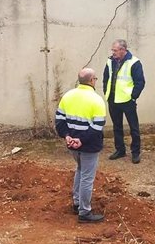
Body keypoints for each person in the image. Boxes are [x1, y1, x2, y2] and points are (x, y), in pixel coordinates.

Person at [55, 67, 107, 223]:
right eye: (95, 79)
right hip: (88, 146)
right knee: (87, 177)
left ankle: (77, 203)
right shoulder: (97, 100)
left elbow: (59, 120)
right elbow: (97, 127)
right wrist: (82, 140)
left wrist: (67, 136)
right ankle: (84, 212)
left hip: (72, 144)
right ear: (91, 81)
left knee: (80, 169)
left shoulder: (67, 96)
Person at [102, 39, 145, 164]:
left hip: (127, 100)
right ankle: (120, 150)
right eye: (113, 50)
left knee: (134, 127)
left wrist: (133, 96)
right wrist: (106, 92)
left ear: (123, 50)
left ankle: (135, 152)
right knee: (117, 126)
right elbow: (106, 78)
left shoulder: (134, 62)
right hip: (113, 98)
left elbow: (140, 82)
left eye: (115, 50)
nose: (113, 52)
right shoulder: (110, 61)